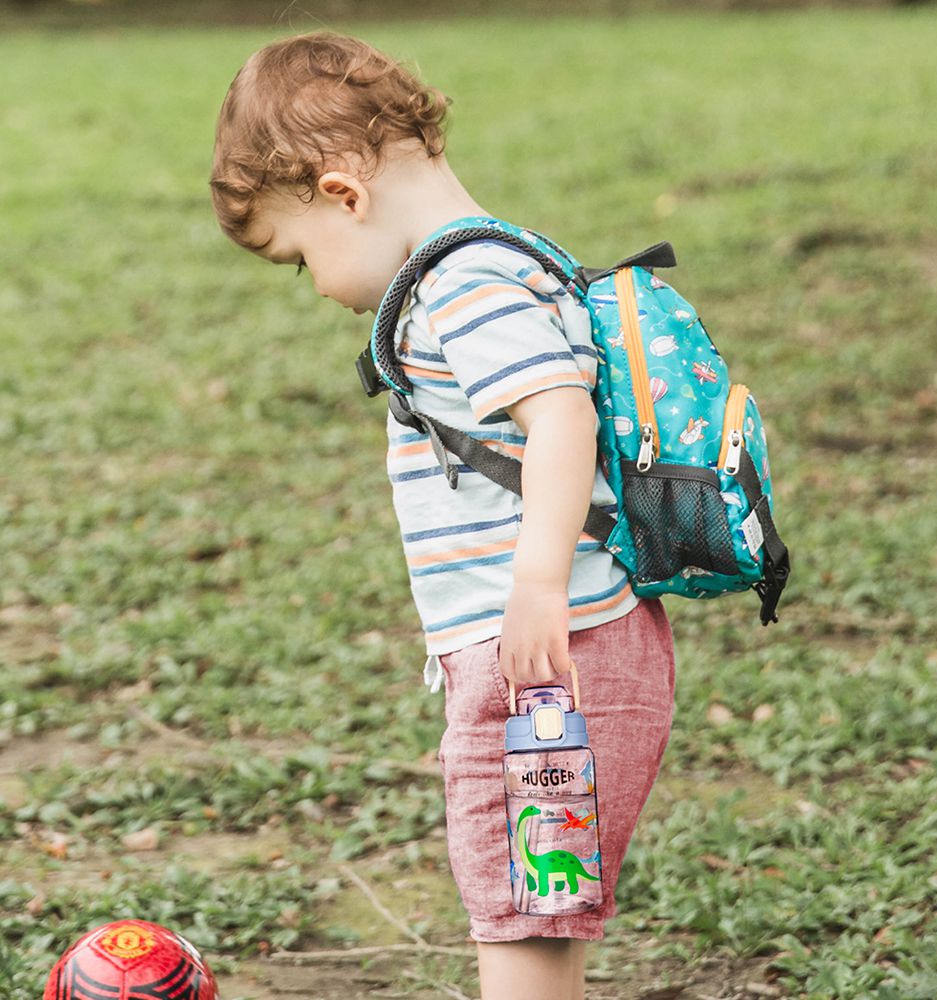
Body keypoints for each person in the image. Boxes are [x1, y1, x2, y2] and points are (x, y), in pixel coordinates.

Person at [210, 32, 676, 1000]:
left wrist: (536, 585)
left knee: (526, 905)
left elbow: (560, 414)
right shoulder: (503, 257)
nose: (319, 287)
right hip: (566, 645)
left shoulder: (456, 286)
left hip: (554, 658)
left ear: (345, 194)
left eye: (300, 259)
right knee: (534, 905)